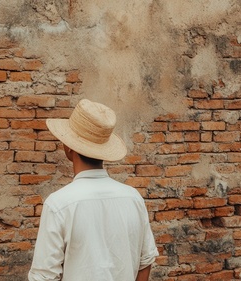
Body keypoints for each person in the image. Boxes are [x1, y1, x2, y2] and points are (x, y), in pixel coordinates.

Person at [28, 99, 159, 281]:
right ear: (104, 150)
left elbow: (44, 277)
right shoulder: (133, 197)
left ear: (68, 147)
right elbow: (145, 262)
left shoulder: (59, 204)